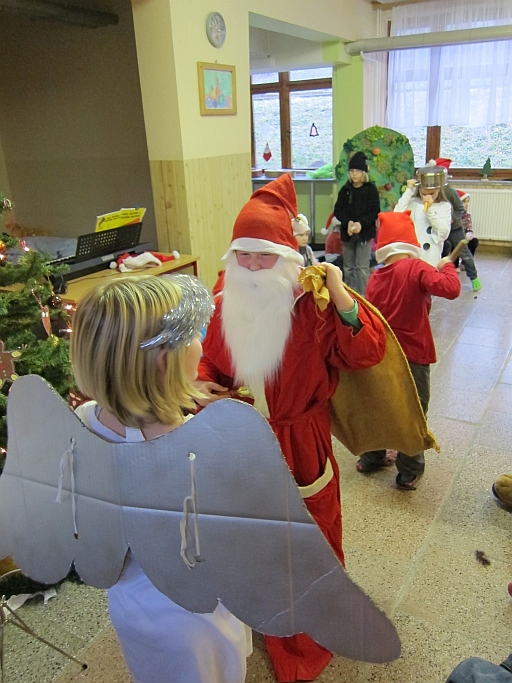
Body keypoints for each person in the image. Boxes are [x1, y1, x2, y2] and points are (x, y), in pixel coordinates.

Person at [196, 173, 387, 682]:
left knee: (310, 540)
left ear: (285, 257)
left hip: (301, 443)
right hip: (244, 442)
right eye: (243, 256)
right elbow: (211, 363)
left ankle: (310, 633)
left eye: (264, 256)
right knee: (257, 540)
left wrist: (342, 294)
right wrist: (199, 383)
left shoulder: (313, 306)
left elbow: (367, 351)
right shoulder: (225, 305)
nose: (252, 267)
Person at [69, 274, 252, 683]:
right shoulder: (196, 451)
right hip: (195, 618)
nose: (202, 343)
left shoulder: (83, 420)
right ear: (165, 361)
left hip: (132, 604)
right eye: (196, 336)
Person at [360, 211, 461, 490]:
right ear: (410, 242)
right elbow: (451, 289)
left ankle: (371, 457)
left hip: (383, 356)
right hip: (413, 356)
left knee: (381, 406)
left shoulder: (375, 277)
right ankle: (409, 470)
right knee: (413, 411)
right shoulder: (416, 268)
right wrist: (447, 266)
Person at [333, 151, 380, 295]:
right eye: (352, 171)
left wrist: (361, 224)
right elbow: (338, 210)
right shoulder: (345, 190)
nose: (354, 174)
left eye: (358, 171)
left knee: (362, 268)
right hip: (347, 234)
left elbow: (375, 211)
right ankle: (349, 295)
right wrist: (347, 222)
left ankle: (363, 297)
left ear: (364, 172)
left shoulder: (371, 190)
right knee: (348, 267)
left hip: (364, 234)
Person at [436, 158, 481, 291]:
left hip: (454, 228)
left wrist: (452, 219)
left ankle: (474, 277)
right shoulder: (430, 190)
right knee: (439, 251)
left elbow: (460, 208)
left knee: (464, 253)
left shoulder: (449, 191)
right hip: (438, 227)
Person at [394, 165, 451, 268]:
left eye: (432, 193)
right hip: (413, 256)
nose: (427, 197)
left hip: (431, 258)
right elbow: (397, 215)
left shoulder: (444, 206)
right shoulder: (414, 203)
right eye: (423, 193)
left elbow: (443, 232)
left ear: (439, 189)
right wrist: (408, 191)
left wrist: (429, 210)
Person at [456, 189, 479, 268]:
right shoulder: (453, 215)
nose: (466, 204)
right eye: (463, 202)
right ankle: (454, 265)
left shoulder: (467, 215)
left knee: (474, 241)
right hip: (455, 238)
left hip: (464, 237)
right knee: (453, 244)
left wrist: (469, 234)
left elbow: (469, 228)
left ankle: (466, 263)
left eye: (467, 202)